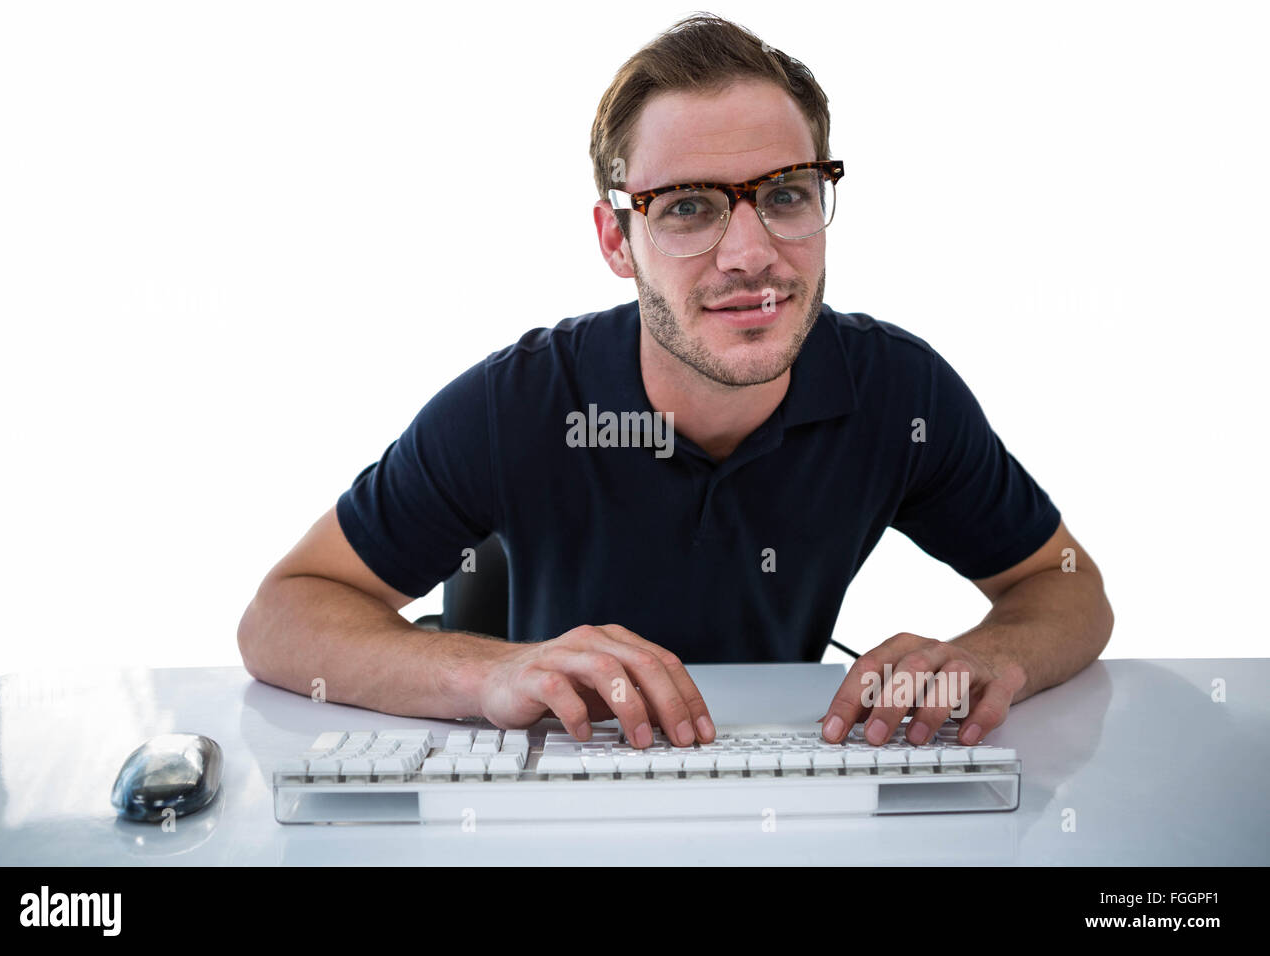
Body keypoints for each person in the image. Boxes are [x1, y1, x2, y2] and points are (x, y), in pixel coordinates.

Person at [237, 14, 1113, 752]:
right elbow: (282, 615)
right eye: (689, 207)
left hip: (782, 779)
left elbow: (1065, 581)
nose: (752, 254)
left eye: (787, 194)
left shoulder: (900, 394)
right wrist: (488, 671)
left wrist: (991, 655)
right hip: (547, 791)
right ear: (617, 241)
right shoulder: (519, 405)